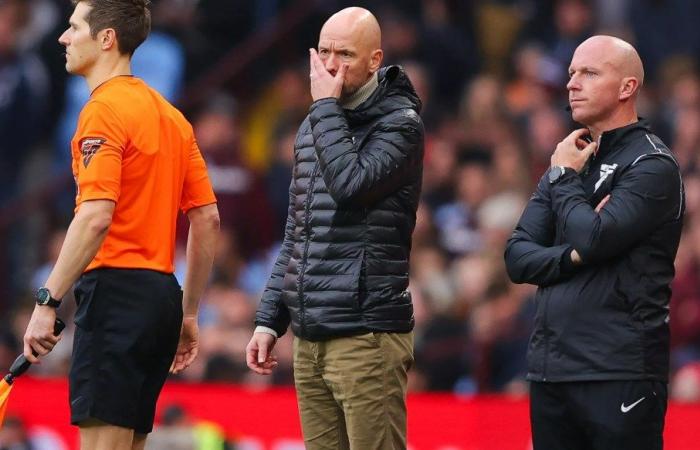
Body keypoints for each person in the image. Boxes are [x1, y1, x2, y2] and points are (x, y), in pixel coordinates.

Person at [21, 1, 219, 449]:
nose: (63, 37)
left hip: (116, 301)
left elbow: (94, 216)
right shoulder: (172, 117)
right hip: (161, 299)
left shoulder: (103, 110)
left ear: (106, 39)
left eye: (74, 28)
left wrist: (47, 300)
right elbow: (207, 217)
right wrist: (188, 313)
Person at [245, 7, 424, 449]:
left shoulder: (400, 125)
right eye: (323, 51)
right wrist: (270, 320)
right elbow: (298, 230)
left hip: (366, 335)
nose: (329, 65)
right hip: (309, 339)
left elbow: (350, 185)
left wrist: (325, 107)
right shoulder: (313, 126)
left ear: (374, 60)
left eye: (344, 54)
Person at [505, 35, 685, 450]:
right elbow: (517, 256)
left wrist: (565, 180)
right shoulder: (572, 156)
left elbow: (595, 237)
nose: (572, 83)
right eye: (571, 73)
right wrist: (571, 255)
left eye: (588, 72)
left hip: (618, 371)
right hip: (550, 370)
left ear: (627, 88)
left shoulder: (651, 165)